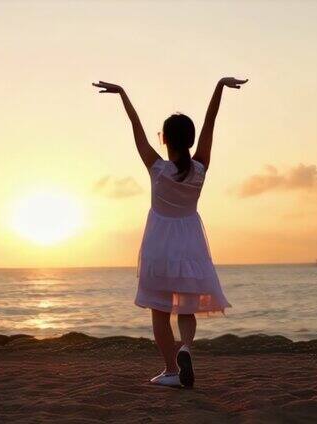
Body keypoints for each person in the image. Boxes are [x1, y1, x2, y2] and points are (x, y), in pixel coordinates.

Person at [93, 77, 248, 387]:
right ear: (189, 140)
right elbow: (210, 123)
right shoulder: (200, 168)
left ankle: (171, 371)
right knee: (186, 307)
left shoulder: (157, 169)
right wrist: (218, 87)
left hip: (159, 246)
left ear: (164, 139)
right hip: (190, 245)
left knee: (160, 311)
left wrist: (123, 94)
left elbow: (135, 131)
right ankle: (186, 347)